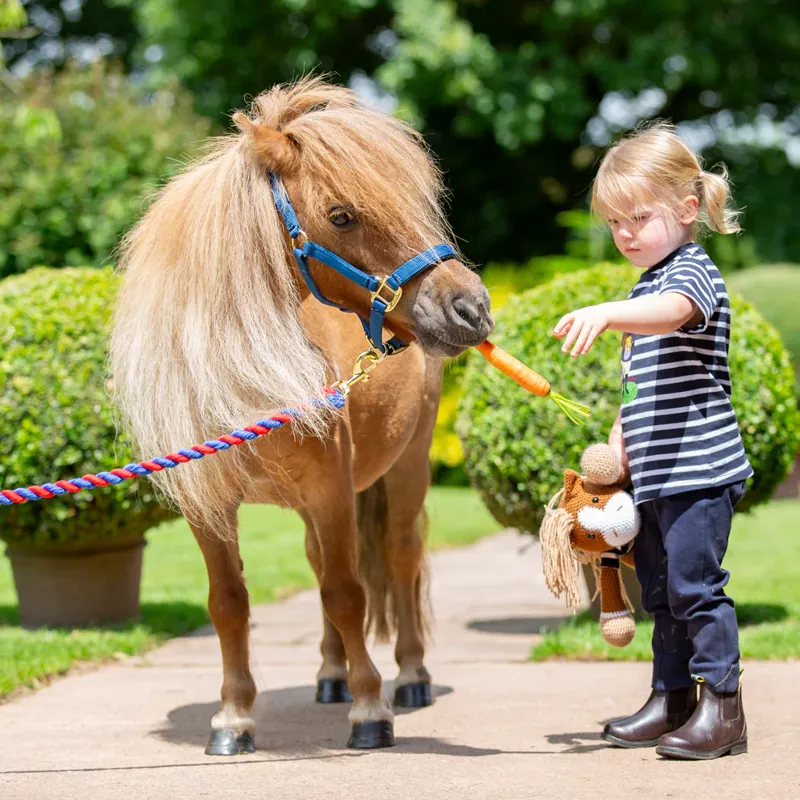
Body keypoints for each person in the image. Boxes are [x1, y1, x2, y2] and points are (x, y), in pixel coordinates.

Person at [553, 121, 752, 760]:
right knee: (662, 591)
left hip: (701, 472)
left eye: (639, 217)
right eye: (615, 223)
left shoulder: (691, 273)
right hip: (662, 474)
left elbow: (676, 313)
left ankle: (724, 707)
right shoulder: (646, 287)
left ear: (686, 209)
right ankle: (672, 698)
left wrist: (607, 313)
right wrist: (619, 442)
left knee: (697, 587)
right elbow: (642, 388)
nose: (626, 234)